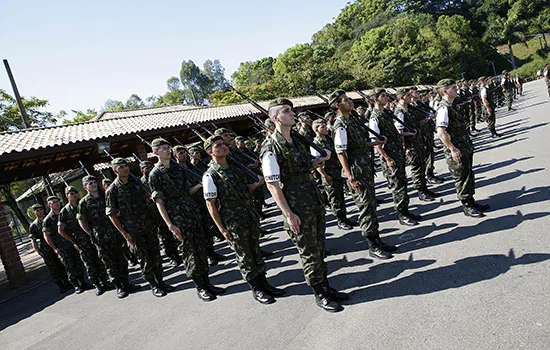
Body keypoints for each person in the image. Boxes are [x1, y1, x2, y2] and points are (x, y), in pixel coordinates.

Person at [261, 98, 348, 313]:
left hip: (313, 199)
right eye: (286, 111)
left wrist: (318, 161)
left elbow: (304, 166)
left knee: (319, 247)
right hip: (296, 206)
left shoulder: (298, 141)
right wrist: (289, 214)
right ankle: (319, 293)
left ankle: (326, 286)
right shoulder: (270, 148)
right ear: (275, 118)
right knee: (309, 252)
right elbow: (273, 185)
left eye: (292, 110)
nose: (292, 113)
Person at [203, 135, 284, 304]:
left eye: (224, 144)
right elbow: (211, 205)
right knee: (245, 256)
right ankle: (256, 289)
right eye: (218, 145)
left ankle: (265, 283)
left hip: (248, 215)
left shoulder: (234, 167)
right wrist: (222, 229)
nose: (224, 147)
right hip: (233, 220)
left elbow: (245, 188)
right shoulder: (210, 175)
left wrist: (257, 184)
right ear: (210, 151)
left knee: (255, 250)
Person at [148, 139, 225, 302]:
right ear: (155, 153)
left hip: (192, 212)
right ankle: (200, 287)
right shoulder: (155, 174)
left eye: (168, 147)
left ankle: (207, 283)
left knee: (201, 249)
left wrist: (200, 185)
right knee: (190, 253)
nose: (167, 150)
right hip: (177, 217)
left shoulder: (177, 167)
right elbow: (159, 202)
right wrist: (170, 225)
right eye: (162, 149)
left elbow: (188, 190)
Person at [330, 90, 396, 259]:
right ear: (338, 105)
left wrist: (376, 142)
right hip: (356, 170)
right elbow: (341, 152)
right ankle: (372, 245)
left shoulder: (352, 121)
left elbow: (361, 143)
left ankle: (377, 239)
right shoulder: (341, 125)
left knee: (371, 205)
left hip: (364, 167)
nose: (350, 102)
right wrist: (350, 176)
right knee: (366, 207)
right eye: (346, 100)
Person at [106, 158, 174, 297]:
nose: (125, 169)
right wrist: (125, 234)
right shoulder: (112, 190)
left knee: (155, 254)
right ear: (115, 170)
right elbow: (112, 215)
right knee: (144, 258)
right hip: (133, 230)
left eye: (126, 166)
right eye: (121, 167)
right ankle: (153, 285)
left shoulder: (137, 183)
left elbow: (149, 198)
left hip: (148, 225)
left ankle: (161, 281)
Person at [435, 79, 489, 217]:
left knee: (468, 174)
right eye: (453, 88)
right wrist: (452, 149)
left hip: (464, 146)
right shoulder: (443, 108)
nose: (456, 89)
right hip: (456, 149)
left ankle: (471, 200)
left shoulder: (452, 105)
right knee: (462, 177)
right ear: (445, 91)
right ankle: (467, 205)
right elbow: (441, 132)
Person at [368, 89, 421, 226]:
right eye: (383, 96)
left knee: (402, 183)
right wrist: (387, 158)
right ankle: (402, 214)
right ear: (375, 99)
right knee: (397, 185)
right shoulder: (375, 117)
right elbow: (376, 143)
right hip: (390, 155)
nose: (386, 98)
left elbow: (395, 134)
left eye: (386, 95)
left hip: (397, 153)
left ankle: (406, 210)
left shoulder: (385, 113)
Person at [77, 175, 135, 299]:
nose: (93, 185)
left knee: (121, 259)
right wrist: (91, 233)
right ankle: (119, 287)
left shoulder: (106, 196)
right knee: (109, 263)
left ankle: (127, 283)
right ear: (85, 187)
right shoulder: (84, 203)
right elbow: (82, 221)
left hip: (115, 233)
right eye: (89, 183)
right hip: (100, 238)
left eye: (94, 182)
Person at [58, 186, 111, 296]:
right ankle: (98, 285)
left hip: (92, 237)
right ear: (66, 196)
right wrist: (72, 241)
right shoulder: (65, 211)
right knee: (89, 263)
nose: (73, 195)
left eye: (74, 193)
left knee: (100, 259)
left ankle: (105, 281)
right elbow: (61, 230)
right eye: (70, 193)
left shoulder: (83, 204)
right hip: (81, 242)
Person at [394, 88, 439, 202]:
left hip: (418, 141)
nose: (410, 97)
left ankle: (424, 188)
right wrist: (405, 148)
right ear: (401, 98)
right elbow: (400, 133)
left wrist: (426, 120)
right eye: (407, 95)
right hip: (410, 145)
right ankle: (420, 191)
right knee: (416, 168)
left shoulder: (409, 109)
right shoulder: (399, 112)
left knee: (421, 165)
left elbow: (416, 124)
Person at [311, 118, 354, 230]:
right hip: (328, 173)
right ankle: (340, 220)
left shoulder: (329, 139)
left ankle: (344, 218)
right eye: (322, 127)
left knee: (340, 196)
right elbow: (318, 164)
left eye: (325, 126)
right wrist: (324, 175)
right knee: (334, 198)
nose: (325, 128)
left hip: (337, 171)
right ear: (316, 129)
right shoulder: (315, 143)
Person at [140, 160, 182, 267]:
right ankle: (172, 256)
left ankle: (179, 252)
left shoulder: (158, 176)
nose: (148, 169)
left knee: (175, 232)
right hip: (154, 213)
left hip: (166, 209)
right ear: (141, 170)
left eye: (150, 166)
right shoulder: (140, 183)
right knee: (164, 236)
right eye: (146, 167)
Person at [43, 195, 87, 293]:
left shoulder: (64, 213)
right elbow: (47, 236)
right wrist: (54, 248)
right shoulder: (48, 220)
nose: (56, 204)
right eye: (53, 202)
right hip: (61, 246)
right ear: (49, 205)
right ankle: (76, 285)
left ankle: (83, 282)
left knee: (78, 262)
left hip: (71, 242)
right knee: (69, 266)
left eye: (57, 201)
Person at [28, 203, 70, 293]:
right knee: (53, 268)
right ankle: (61, 286)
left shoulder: (49, 219)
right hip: (46, 249)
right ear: (34, 212)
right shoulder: (34, 225)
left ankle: (67, 282)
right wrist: (38, 251)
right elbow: (33, 240)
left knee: (62, 265)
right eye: (37, 210)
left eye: (41, 209)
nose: (40, 212)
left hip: (56, 244)